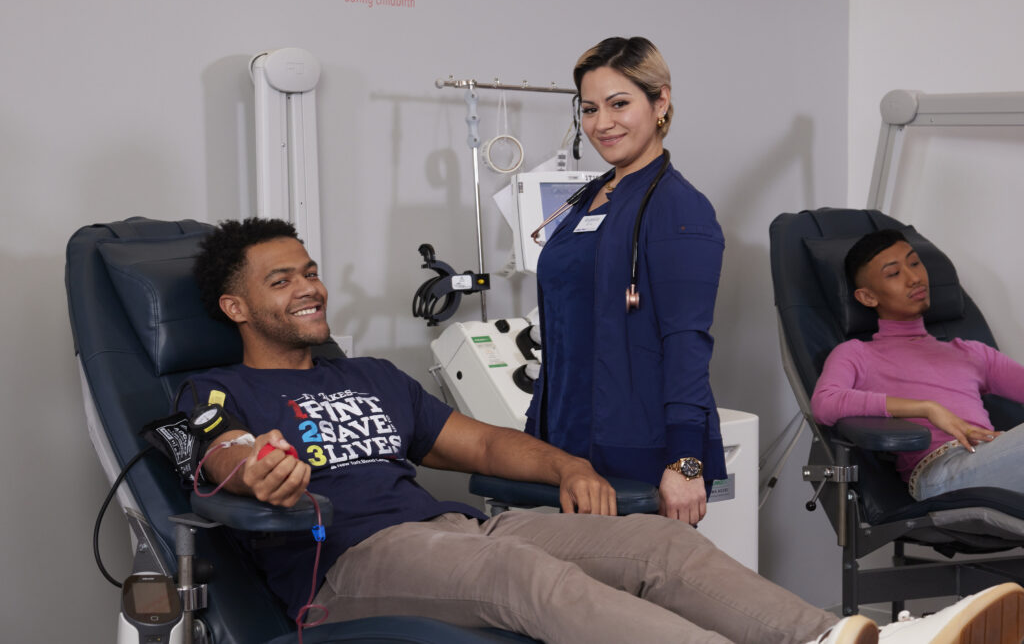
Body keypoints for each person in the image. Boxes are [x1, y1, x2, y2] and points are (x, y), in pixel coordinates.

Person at [182, 217, 1022, 644]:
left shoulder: (366, 375)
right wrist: (258, 470)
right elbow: (220, 456)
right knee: (523, 575)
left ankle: (843, 639)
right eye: (282, 278)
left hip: (453, 528)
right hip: (347, 565)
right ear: (235, 306)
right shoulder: (219, 390)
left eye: (312, 270)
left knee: (661, 546)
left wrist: (567, 465)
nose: (310, 288)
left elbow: (475, 443)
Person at [525, 36, 725, 525]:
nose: (602, 123)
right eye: (589, 109)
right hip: (565, 441)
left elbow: (687, 343)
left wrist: (685, 462)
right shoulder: (589, 199)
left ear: (660, 101)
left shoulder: (680, 208)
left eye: (619, 104)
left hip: (641, 450)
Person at [811, 228, 1024, 500]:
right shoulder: (856, 354)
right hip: (940, 472)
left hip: (994, 457)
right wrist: (927, 409)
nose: (914, 278)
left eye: (914, 263)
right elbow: (825, 403)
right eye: (893, 273)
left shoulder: (971, 352)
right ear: (868, 297)